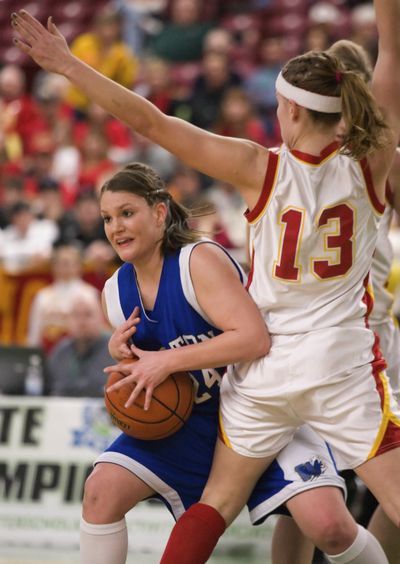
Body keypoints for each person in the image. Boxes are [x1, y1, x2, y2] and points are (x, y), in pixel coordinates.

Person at [10, 4, 400, 563]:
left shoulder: (258, 167)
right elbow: (391, 56)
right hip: (342, 365)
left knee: (215, 505)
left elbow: (151, 122)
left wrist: (70, 67)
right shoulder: (372, 160)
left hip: (265, 371)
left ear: (286, 110)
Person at [85, 161, 346, 564]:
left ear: (159, 212)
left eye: (127, 213)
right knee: (101, 489)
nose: (115, 227)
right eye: (107, 218)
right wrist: (124, 359)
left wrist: (165, 361)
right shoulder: (114, 294)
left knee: (327, 527)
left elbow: (254, 339)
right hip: (193, 419)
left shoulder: (197, 261)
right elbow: (148, 371)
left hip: (264, 401)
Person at [47, 291, 112, 397]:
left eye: (88, 315)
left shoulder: (114, 350)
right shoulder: (61, 352)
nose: (81, 322)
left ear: (101, 318)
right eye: (76, 315)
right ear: (68, 320)